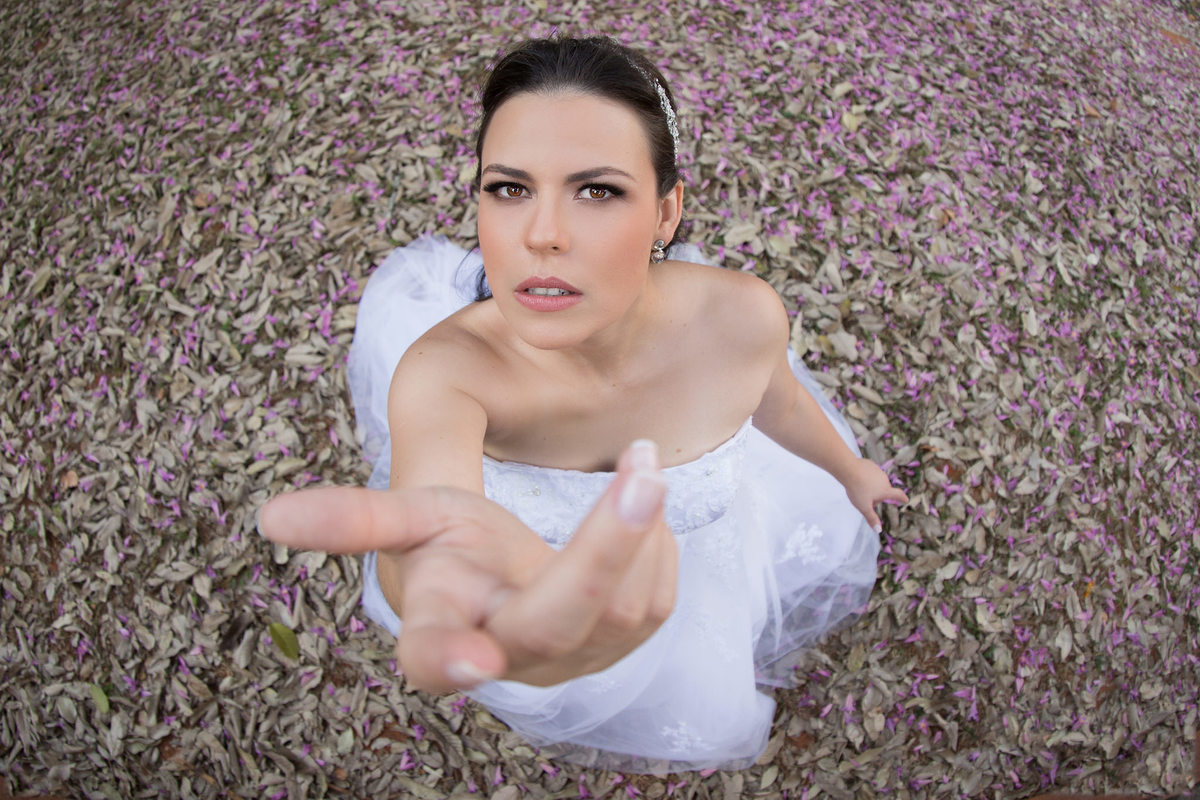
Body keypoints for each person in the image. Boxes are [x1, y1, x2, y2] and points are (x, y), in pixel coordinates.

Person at [257, 35, 907, 773]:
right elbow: (431, 523)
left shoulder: (742, 320)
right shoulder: (446, 377)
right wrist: (441, 581)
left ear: (666, 214)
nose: (541, 235)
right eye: (508, 189)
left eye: (597, 190)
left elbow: (780, 405)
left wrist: (849, 472)